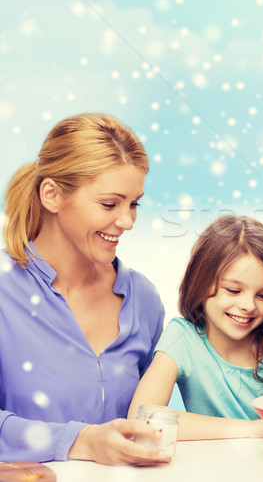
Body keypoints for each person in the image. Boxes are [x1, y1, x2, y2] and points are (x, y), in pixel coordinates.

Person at [0, 113, 166, 465]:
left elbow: (150, 415)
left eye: (134, 204)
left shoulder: (144, 300)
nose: (127, 221)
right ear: (52, 195)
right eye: (110, 204)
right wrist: (82, 441)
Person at [128, 215, 263, 439]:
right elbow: (140, 420)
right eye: (233, 290)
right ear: (199, 281)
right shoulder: (183, 337)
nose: (248, 305)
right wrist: (255, 429)